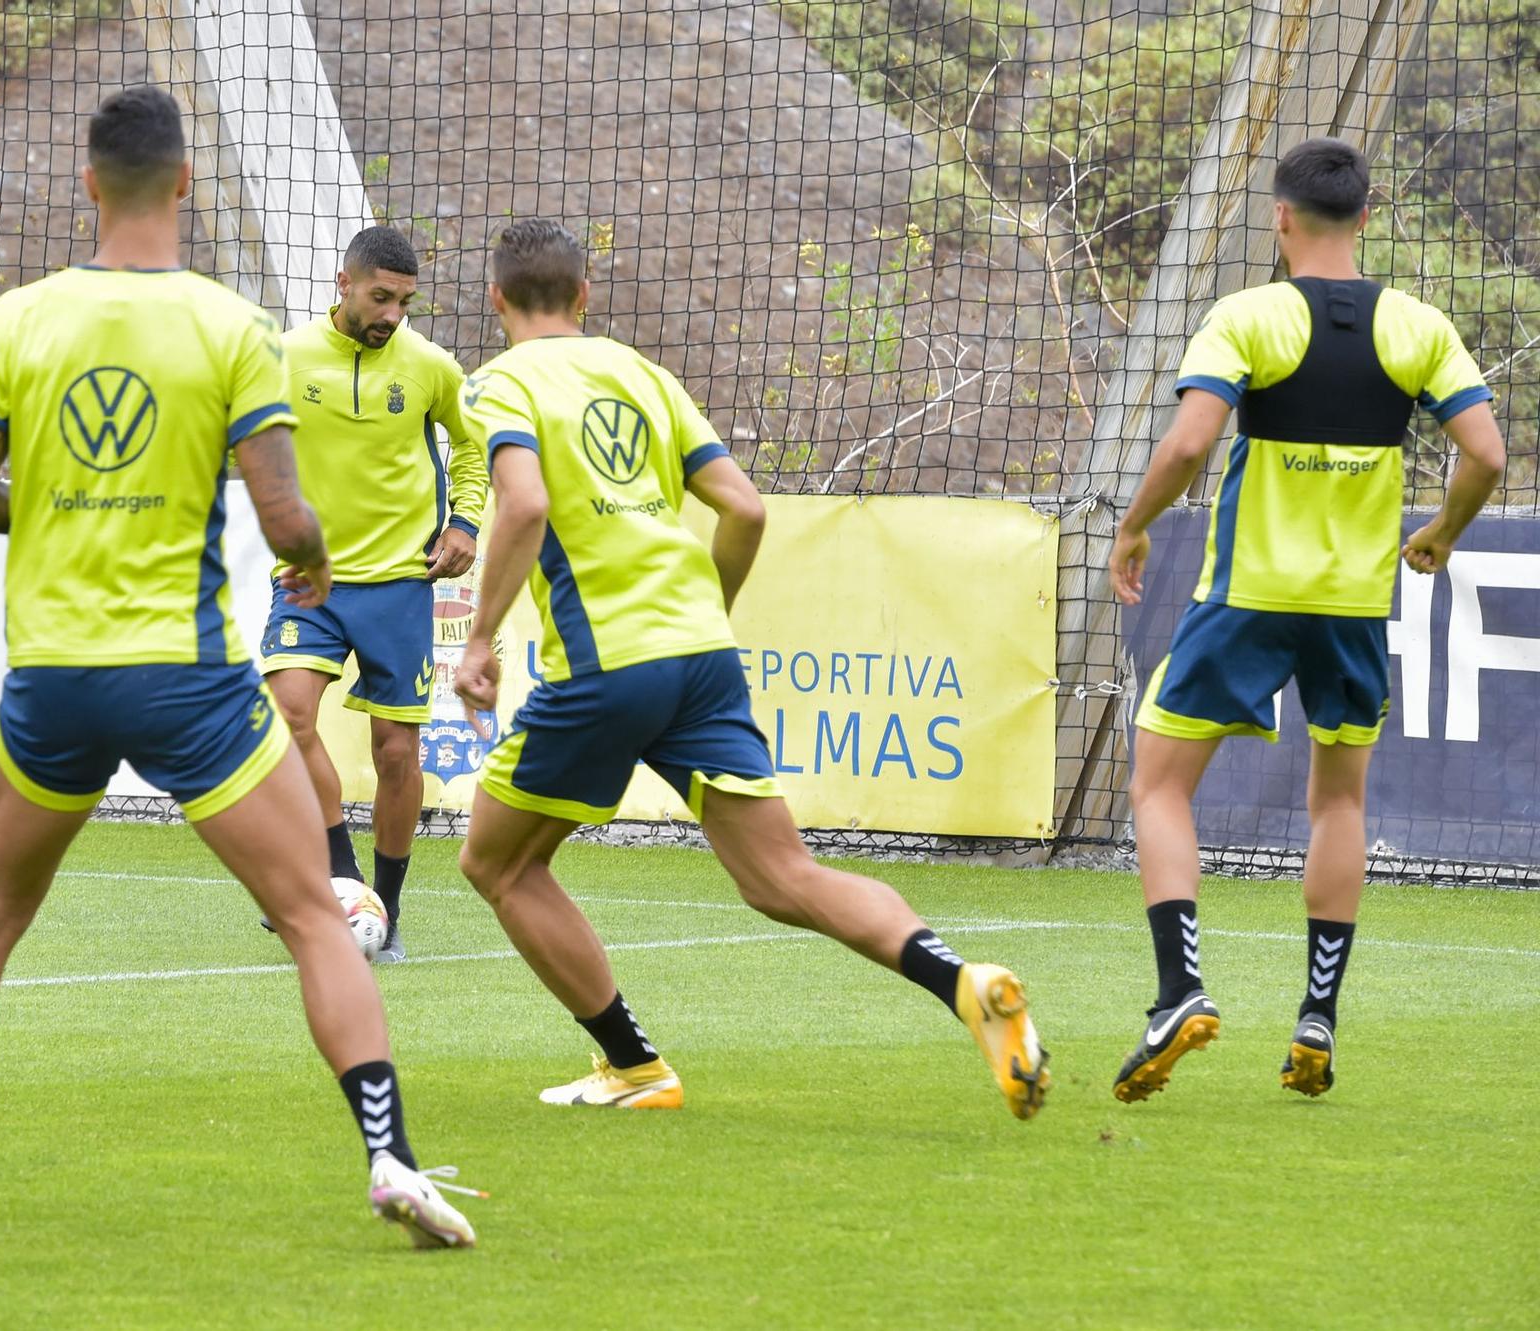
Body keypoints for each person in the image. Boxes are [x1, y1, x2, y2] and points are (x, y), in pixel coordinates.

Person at [0, 87, 474, 1248]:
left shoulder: (21, 318)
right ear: (184, 185)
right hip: (183, 677)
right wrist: (309, 566)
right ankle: (390, 1156)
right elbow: (287, 515)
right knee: (308, 909)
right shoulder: (227, 326)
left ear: (88, 182)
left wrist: (55, 506)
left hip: (51, 675)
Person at [449, 219, 1049, 1121]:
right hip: (701, 654)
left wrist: (479, 636)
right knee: (783, 879)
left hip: (606, 661)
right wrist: (707, 613)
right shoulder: (645, 376)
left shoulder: (495, 383)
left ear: (496, 299)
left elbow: (524, 502)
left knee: (496, 863)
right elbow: (745, 507)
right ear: (585, 295)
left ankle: (635, 1066)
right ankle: (961, 979)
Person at [1107, 136, 1506, 1102]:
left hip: (1246, 595)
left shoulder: (1246, 317)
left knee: (1160, 787)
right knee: (1339, 804)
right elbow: (1486, 454)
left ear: (1278, 216)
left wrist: (1134, 526)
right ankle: (1317, 1019)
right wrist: (1444, 532)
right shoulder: (1418, 325)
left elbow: (1192, 441)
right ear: (1366, 217)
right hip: (1353, 607)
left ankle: (1179, 993)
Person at [259, 227, 486, 960]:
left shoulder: (429, 367)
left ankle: (383, 905)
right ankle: (340, 876)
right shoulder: (284, 357)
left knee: (396, 752)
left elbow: (476, 445)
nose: (393, 314)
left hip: (399, 583)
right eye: (381, 296)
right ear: (343, 282)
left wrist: (466, 523)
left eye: (405, 302)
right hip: (309, 578)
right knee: (286, 716)